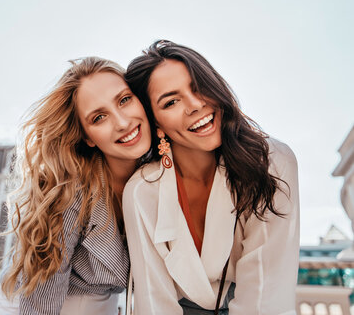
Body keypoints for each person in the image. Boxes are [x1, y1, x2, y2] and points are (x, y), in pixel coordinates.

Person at [122, 40, 299, 314]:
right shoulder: (142, 191)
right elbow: (155, 302)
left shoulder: (271, 162)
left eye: (199, 87)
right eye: (171, 102)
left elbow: (266, 295)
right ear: (155, 121)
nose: (195, 105)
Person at [0, 57, 151, 315]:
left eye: (124, 100)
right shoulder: (69, 188)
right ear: (87, 136)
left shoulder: (157, 175)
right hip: (31, 304)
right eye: (99, 117)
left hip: (102, 305)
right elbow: (42, 291)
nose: (122, 122)